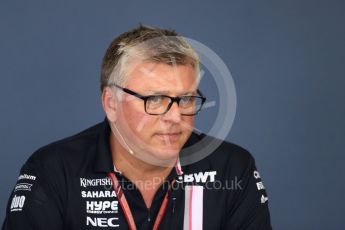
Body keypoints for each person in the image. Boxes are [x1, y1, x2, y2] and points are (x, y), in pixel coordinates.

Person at [2, 24, 272, 230]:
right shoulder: (53, 171)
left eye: (186, 99)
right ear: (111, 103)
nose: (175, 117)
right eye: (155, 99)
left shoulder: (233, 168)